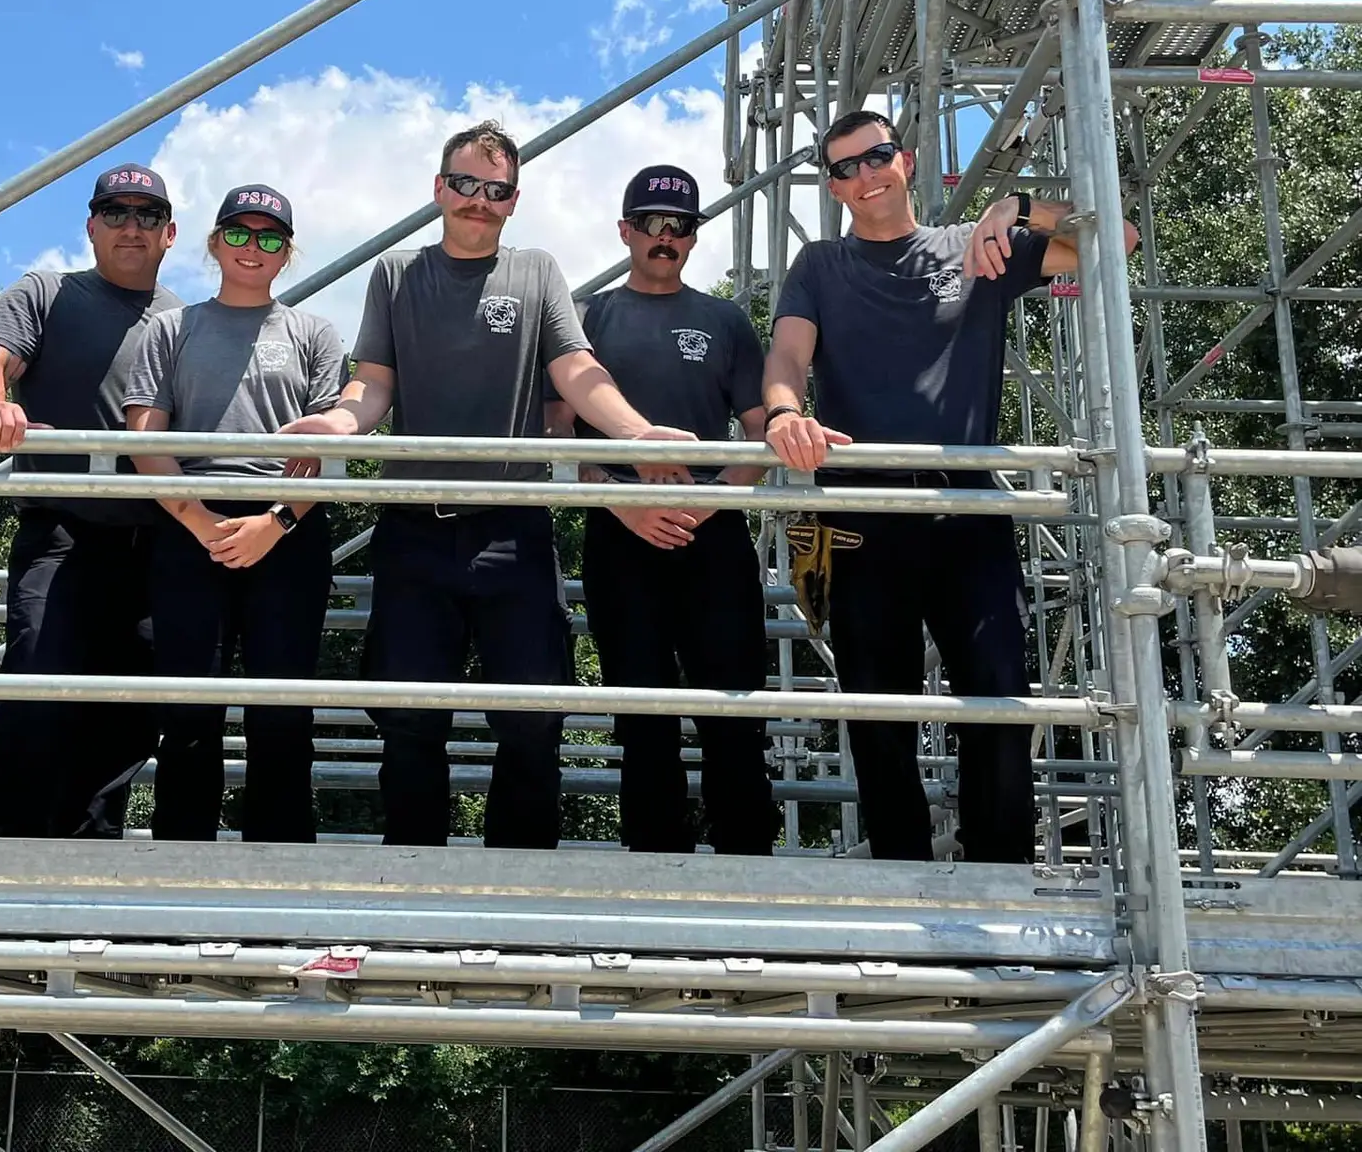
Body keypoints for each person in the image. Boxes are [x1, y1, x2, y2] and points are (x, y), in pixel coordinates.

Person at [283, 121, 695, 849]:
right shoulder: (396, 274)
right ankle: (415, 898)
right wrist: (341, 426)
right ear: (440, 188)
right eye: (467, 184)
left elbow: (576, 369)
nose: (479, 200)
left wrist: (634, 432)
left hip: (514, 527)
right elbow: (373, 382)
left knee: (533, 719)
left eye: (496, 189)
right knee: (410, 721)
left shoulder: (536, 272)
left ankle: (518, 900)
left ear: (513, 200)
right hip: (414, 527)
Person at [763, 109, 1137, 864]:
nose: (863, 177)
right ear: (834, 188)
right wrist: (781, 413)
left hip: (968, 505)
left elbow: (1119, 239)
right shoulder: (820, 269)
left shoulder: (976, 246)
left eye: (874, 158)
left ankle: (999, 872)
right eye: (844, 169)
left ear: (903, 160)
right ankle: (901, 874)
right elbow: (786, 356)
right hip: (864, 510)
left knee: (998, 693)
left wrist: (1021, 207)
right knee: (876, 706)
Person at [560, 165, 775, 856]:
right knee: (642, 715)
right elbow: (555, 434)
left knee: (734, 712)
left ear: (693, 237)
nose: (664, 237)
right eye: (650, 223)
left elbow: (763, 432)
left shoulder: (724, 320)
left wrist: (705, 504)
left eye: (679, 226)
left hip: (714, 540)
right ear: (624, 230)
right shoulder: (585, 318)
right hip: (620, 537)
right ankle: (654, 880)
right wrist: (626, 504)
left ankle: (751, 880)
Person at [0, 163, 183, 839]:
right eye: (115, 212)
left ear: (169, 234)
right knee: (37, 689)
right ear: (91, 225)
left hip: (156, 543)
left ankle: (86, 883)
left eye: (148, 215)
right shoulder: (47, 291)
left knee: (128, 718)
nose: (131, 226)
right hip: (61, 530)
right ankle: (4, 868)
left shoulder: (185, 319)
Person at [124, 185, 346, 843]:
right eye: (242, 234)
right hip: (189, 525)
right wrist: (198, 520)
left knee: (282, 712)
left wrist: (274, 523)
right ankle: (182, 873)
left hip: (289, 530)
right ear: (215, 242)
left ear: (288, 254)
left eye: (271, 238)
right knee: (189, 713)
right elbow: (144, 436)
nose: (255, 248)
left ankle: (280, 881)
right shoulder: (170, 328)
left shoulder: (315, 333)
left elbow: (336, 450)